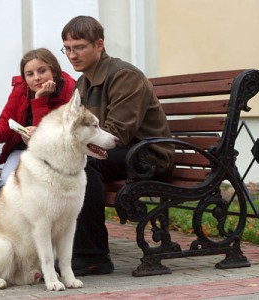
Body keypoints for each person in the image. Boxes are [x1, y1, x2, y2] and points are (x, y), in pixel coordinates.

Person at [61, 16, 175, 276]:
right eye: (67, 48)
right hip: (121, 153)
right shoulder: (83, 82)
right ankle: (69, 248)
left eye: (78, 47)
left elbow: (118, 133)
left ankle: (93, 257)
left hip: (148, 156)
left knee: (84, 163)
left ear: (99, 44)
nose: (72, 55)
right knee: (66, 162)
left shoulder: (124, 75)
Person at [0, 48, 76, 186]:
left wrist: (40, 99)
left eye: (42, 71)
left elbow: (45, 139)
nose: (36, 78)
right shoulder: (20, 90)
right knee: (7, 183)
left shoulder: (68, 93)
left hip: (53, 157)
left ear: (54, 71)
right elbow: (6, 123)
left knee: (38, 186)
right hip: (22, 150)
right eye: (30, 74)